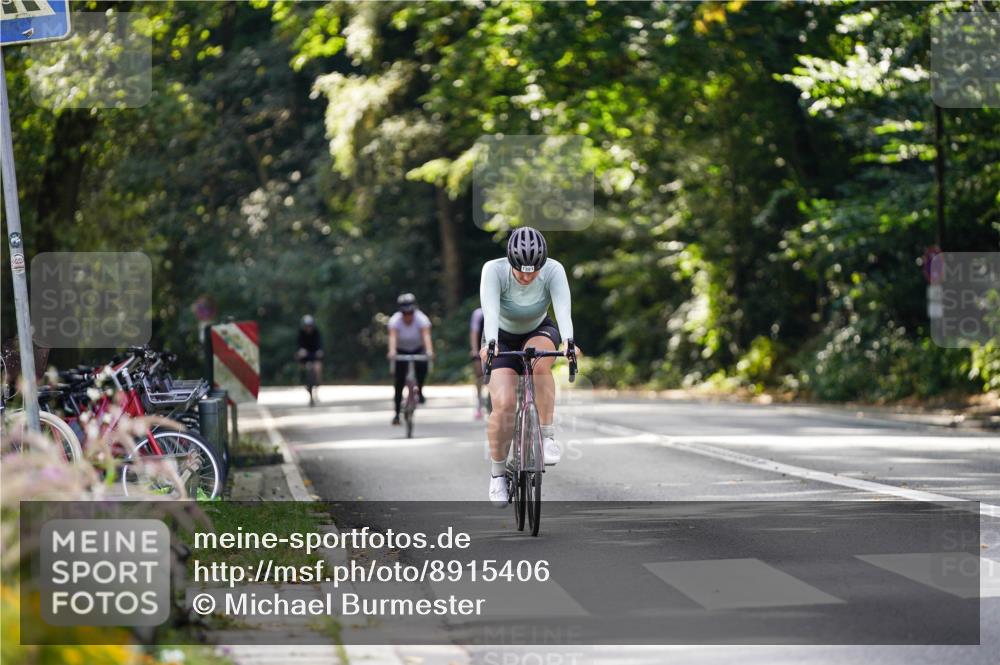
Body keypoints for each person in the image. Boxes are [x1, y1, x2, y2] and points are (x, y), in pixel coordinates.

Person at [479, 226, 580, 507]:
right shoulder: (493, 270)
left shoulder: (554, 270)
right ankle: (498, 474)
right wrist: (491, 343)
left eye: (533, 271)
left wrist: (570, 342)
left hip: (539, 329)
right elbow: (490, 310)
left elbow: (563, 310)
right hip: (499, 335)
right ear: (509, 262)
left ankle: (547, 437)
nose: (527, 276)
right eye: (521, 270)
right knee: (504, 403)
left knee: (540, 363)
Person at [387, 293, 434, 425]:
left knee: (422, 368)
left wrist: (429, 351)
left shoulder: (421, 319)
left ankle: (420, 389)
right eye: (405, 313)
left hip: (418, 349)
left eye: (410, 313)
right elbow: (392, 337)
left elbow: (426, 336)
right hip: (401, 350)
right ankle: (397, 413)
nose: (408, 316)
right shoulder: (395, 320)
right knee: (399, 381)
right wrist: (392, 351)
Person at [296, 314, 323, 405]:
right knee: (303, 368)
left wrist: (319, 351)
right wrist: (300, 351)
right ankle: (303, 380)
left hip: (314, 355)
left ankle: (318, 384)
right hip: (305, 356)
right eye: (307, 326)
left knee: (317, 368)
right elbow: (299, 346)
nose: (308, 328)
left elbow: (319, 345)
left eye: (310, 326)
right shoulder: (301, 333)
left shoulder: (316, 332)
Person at [469, 306, 486, 420]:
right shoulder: (478, 314)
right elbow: (474, 332)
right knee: (479, 375)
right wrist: (475, 350)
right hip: (481, 346)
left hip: (496, 346)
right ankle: (479, 404)